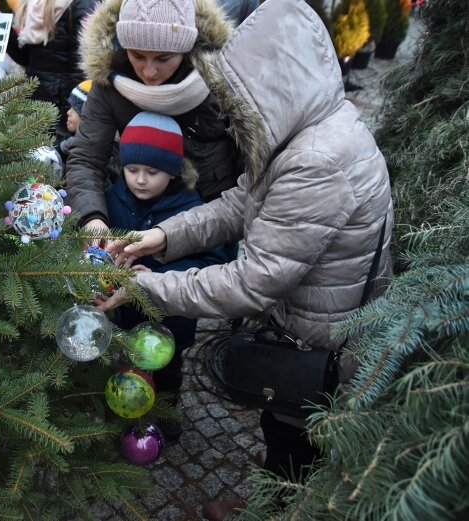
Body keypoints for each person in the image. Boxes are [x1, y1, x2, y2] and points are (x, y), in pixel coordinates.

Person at [96, 0, 393, 517]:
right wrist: (163, 237)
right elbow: (242, 201)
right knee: (283, 429)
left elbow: (254, 281)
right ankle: (273, 492)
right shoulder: (305, 129)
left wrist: (150, 286)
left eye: (234, 99)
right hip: (311, 322)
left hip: (320, 338)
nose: (230, 112)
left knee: (298, 435)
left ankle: (275, 507)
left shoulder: (316, 161)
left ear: (267, 88)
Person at [102, 111, 236, 439]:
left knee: (167, 371)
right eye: (132, 170)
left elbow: (211, 261)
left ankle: (165, 411)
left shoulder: (192, 208)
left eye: (152, 171)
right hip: (118, 316)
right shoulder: (110, 200)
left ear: (173, 171)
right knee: (117, 365)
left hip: (170, 320)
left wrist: (162, 275)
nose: (141, 180)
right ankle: (115, 412)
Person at [65, 0, 240, 235]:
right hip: (133, 213)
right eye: (137, 56)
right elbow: (86, 157)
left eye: (163, 58)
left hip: (212, 214)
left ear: (185, 49)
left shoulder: (223, 76)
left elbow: (253, 155)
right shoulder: (108, 82)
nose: (149, 71)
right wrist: (92, 218)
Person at [6, 0, 97, 143]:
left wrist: (72, 111)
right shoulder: (35, 5)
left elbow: (81, 69)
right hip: (35, 105)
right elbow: (27, 59)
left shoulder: (81, 5)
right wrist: (4, 29)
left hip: (62, 112)